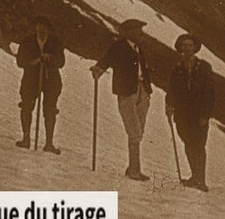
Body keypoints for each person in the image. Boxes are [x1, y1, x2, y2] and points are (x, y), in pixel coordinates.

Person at [90, 19, 152, 181]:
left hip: (142, 91)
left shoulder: (138, 49)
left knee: (139, 130)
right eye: (138, 30)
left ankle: (132, 167)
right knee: (135, 131)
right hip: (126, 92)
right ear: (129, 31)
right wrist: (98, 70)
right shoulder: (119, 47)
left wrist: (147, 91)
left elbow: (143, 70)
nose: (141, 33)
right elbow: (106, 60)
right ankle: (134, 170)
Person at [166, 32, 216, 191]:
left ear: (195, 48)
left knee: (199, 145)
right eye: (184, 46)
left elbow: (210, 92)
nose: (187, 49)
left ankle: (201, 180)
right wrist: (169, 105)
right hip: (182, 114)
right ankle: (195, 176)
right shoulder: (177, 68)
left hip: (199, 114)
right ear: (181, 49)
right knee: (188, 143)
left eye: (189, 46)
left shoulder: (204, 67)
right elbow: (171, 89)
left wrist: (205, 115)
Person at [15, 16, 65, 153]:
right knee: (26, 106)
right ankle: (26, 139)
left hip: (51, 81)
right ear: (35, 28)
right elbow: (20, 61)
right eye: (39, 26)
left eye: (44, 27)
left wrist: (51, 58)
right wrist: (36, 61)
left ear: (48, 29)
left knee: (50, 110)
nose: (41, 30)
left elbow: (61, 62)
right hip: (30, 80)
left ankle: (49, 143)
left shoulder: (56, 43)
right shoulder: (27, 42)